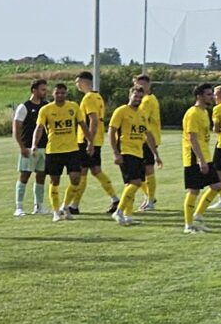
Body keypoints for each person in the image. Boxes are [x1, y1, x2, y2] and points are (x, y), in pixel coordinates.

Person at [37, 74, 89, 218]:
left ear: (66, 94)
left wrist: (90, 141)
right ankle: (55, 212)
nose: (60, 95)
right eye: (57, 93)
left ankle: (65, 205)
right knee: (55, 181)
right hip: (53, 150)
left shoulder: (73, 107)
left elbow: (82, 124)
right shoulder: (46, 109)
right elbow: (39, 128)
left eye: (62, 93)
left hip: (72, 150)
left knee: (76, 179)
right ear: (53, 94)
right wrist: (35, 144)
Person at [107, 84, 153, 227]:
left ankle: (127, 216)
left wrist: (156, 154)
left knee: (131, 184)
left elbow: (147, 134)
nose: (138, 99)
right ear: (129, 96)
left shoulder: (142, 114)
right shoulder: (121, 111)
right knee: (136, 183)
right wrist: (115, 152)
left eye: (140, 97)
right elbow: (111, 131)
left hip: (139, 152)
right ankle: (119, 211)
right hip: (126, 151)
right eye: (135, 96)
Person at [66, 69, 108, 215]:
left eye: (77, 82)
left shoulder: (88, 98)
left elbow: (93, 120)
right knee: (95, 170)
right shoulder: (98, 96)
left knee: (82, 172)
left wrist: (89, 141)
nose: (76, 85)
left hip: (87, 140)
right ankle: (115, 199)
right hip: (97, 139)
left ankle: (73, 205)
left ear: (84, 82)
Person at [180, 84, 220, 233]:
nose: (212, 97)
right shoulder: (193, 113)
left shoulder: (204, 112)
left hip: (205, 156)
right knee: (193, 190)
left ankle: (197, 215)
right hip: (194, 157)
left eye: (212, 94)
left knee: (217, 186)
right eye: (208, 94)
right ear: (199, 96)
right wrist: (201, 160)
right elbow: (192, 138)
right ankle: (188, 225)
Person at [10, 78, 51, 217]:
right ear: (34, 90)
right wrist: (21, 147)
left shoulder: (46, 106)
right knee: (24, 176)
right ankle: (19, 207)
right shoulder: (24, 107)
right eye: (42, 89)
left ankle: (39, 206)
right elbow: (16, 128)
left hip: (44, 147)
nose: (45, 92)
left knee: (41, 176)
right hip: (28, 147)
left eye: (45, 89)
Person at [129, 71, 164, 210]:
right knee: (140, 171)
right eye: (137, 85)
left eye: (142, 85)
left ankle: (150, 199)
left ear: (148, 86)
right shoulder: (148, 99)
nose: (140, 88)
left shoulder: (147, 100)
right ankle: (149, 197)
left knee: (147, 170)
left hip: (147, 139)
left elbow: (139, 117)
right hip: (143, 138)